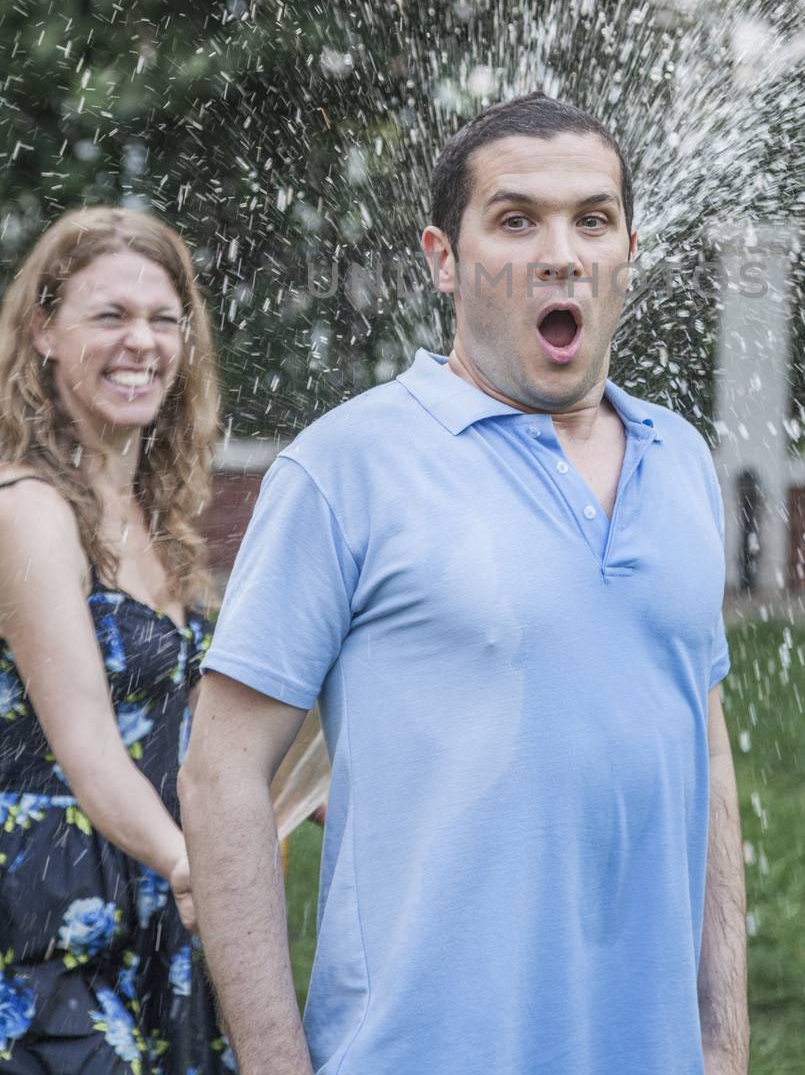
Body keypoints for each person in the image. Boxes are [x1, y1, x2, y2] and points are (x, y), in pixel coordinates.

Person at [181, 93, 750, 1075]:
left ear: (624, 250)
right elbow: (219, 770)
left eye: (592, 218)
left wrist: (719, 1040)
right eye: (516, 219)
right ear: (444, 258)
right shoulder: (347, 465)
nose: (561, 252)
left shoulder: (683, 458)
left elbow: (699, 742)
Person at [0, 206, 233, 1073]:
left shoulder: (157, 522)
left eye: (162, 319)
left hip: (155, 910)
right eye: (109, 316)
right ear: (44, 334)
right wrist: (202, 870)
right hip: (50, 936)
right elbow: (92, 753)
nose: (141, 342)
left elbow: (213, 737)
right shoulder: (27, 511)